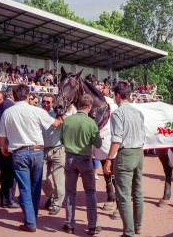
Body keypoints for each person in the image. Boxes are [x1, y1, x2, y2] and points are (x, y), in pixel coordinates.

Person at [0, 84, 63, 232]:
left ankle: (30, 220)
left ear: (13, 96)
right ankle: (32, 217)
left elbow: (0, 137)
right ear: (28, 97)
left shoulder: (8, 112)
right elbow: (55, 124)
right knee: (35, 186)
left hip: (19, 153)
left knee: (25, 188)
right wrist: (62, 116)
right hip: (37, 151)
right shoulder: (36, 110)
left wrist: (3, 148)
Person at [104, 81, 146, 237]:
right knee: (138, 192)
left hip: (125, 154)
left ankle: (129, 232)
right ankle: (137, 227)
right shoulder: (138, 112)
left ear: (117, 95)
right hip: (138, 152)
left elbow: (116, 139)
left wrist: (109, 159)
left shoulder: (117, 113)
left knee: (123, 195)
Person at [60, 93, 102, 235]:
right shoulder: (91, 123)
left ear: (78, 105)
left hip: (70, 158)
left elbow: (61, 140)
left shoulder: (67, 120)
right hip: (85, 159)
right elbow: (98, 143)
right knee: (90, 192)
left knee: (70, 192)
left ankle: (70, 224)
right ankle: (92, 225)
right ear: (89, 107)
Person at [41, 94, 66, 216]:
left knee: (58, 179)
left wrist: (61, 116)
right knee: (42, 177)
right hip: (43, 149)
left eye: (48, 102)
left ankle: (57, 203)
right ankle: (51, 195)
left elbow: (67, 124)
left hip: (58, 149)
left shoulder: (58, 114)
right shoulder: (38, 113)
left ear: (53, 103)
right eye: (43, 101)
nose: (45, 104)